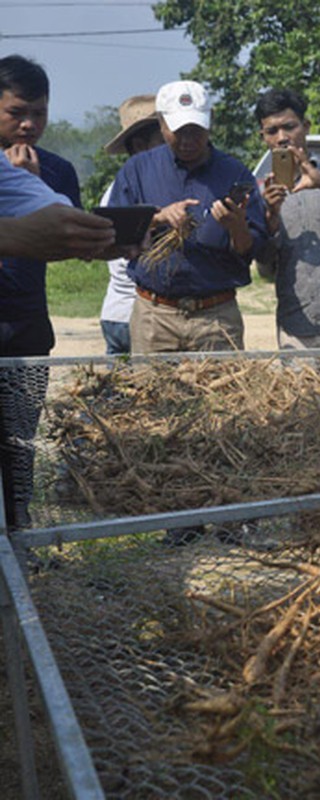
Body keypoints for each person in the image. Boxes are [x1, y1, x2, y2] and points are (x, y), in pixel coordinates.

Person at [108, 80, 268, 353]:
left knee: (220, 395)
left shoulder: (236, 174)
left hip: (216, 317)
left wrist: (237, 226)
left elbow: (252, 250)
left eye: (197, 130)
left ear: (210, 122)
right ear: (161, 123)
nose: (188, 140)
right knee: (150, 394)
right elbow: (114, 233)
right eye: (179, 131)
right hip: (155, 317)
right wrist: (158, 218)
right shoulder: (137, 170)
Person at [0, 56, 85, 532]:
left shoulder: (56, 169)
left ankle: (19, 534)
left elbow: (70, 245)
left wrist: (31, 188)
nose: (29, 124)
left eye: (39, 112)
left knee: (19, 441)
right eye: (17, 113)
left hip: (28, 324)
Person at [253, 88, 320, 349]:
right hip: (295, 327)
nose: (282, 138)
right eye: (272, 131)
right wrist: (271, 216)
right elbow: (266, 266)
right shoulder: (260, 191)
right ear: (263, 137)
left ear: (305, 126)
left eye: (289, 127)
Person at [98, 94, 163, 355]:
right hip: (135, 315)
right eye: (164, 140)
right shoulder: (136, 190)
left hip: (117, 311)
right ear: (139, 145)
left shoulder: (117, 187)